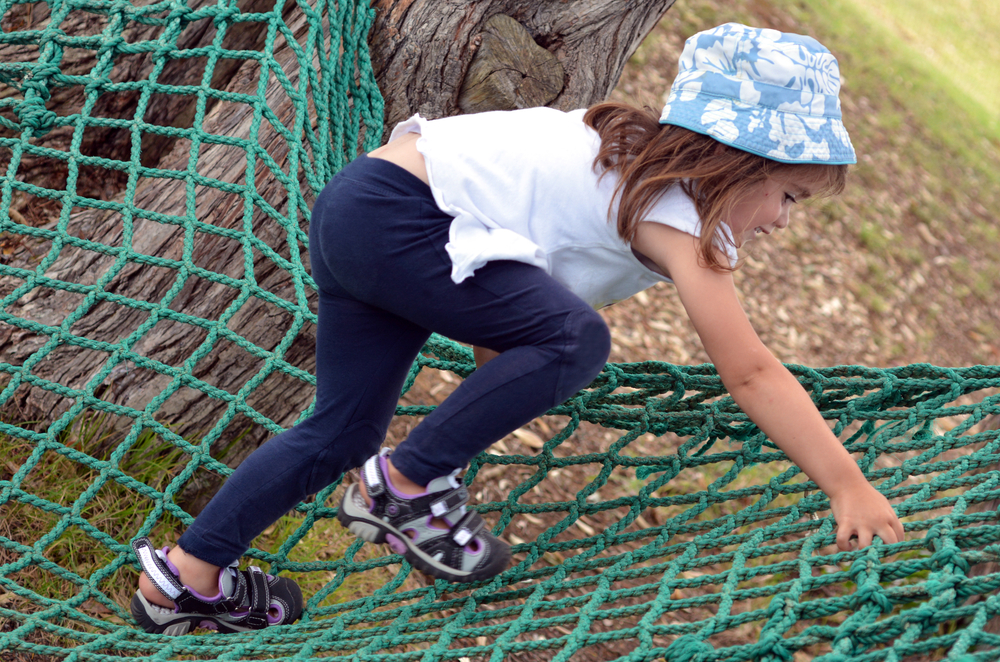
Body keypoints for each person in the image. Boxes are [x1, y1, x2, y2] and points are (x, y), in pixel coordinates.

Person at [129, 22, 905, 634]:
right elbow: (750, 371)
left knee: (340, 431)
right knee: (578, 340)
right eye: (789, 198)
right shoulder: (676, 210)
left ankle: (186, 579)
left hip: (362, 207)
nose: (779, 223)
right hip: (405, 221)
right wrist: (848, 484)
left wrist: (490, 401)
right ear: (737, 164)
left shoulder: (622, 155)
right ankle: (402, 489)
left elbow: (507, 297)